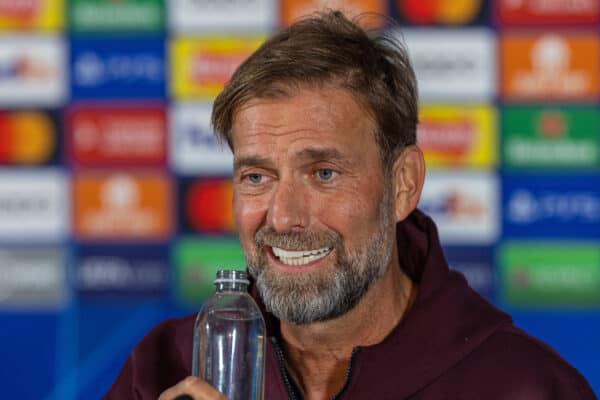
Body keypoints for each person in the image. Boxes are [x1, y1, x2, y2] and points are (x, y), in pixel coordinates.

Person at [105, 10, 597, 400]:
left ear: (403, 184)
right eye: (257, 176)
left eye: (324, 174)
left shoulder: (528, 388)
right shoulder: (160, 372)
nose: (283, 216)